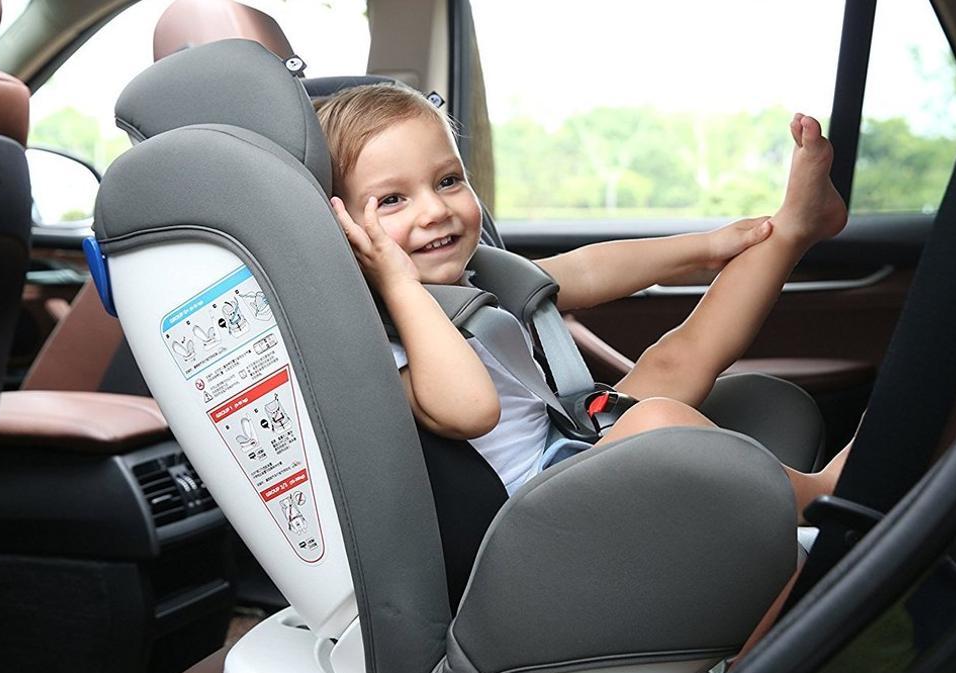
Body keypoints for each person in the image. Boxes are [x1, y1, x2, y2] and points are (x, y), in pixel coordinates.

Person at [316, 83, 848, 495]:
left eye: (448, 181)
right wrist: (400, 285)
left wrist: (707, 247)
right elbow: (470, 410)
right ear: (344, 231)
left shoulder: (472, 279)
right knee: (654, 420)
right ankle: (814, 495)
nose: (435, 210)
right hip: (535, 516)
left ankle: (794, 227)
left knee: (671, 360)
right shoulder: (378, 338)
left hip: (569, 451)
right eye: (392, 200)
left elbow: (589, 270)